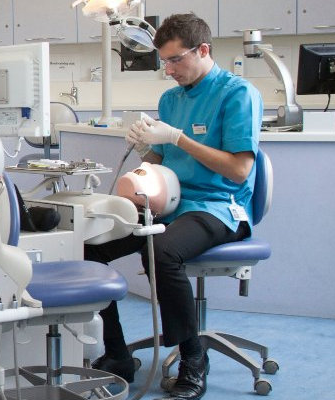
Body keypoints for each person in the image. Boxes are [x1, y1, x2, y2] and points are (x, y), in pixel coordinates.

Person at [86, 13, 261, 400]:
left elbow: (238, 170)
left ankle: (193, 357)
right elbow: (160, 160)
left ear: (203, 50)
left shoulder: (237, 94)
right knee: (90, 246)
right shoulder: (171, 99)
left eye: (175, 60)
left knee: (161, 250)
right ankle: (117, 355)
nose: (168, 70)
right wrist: (145, 151)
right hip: (170, 205)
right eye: (163, 61)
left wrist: (178, 138)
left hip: (219, 207)